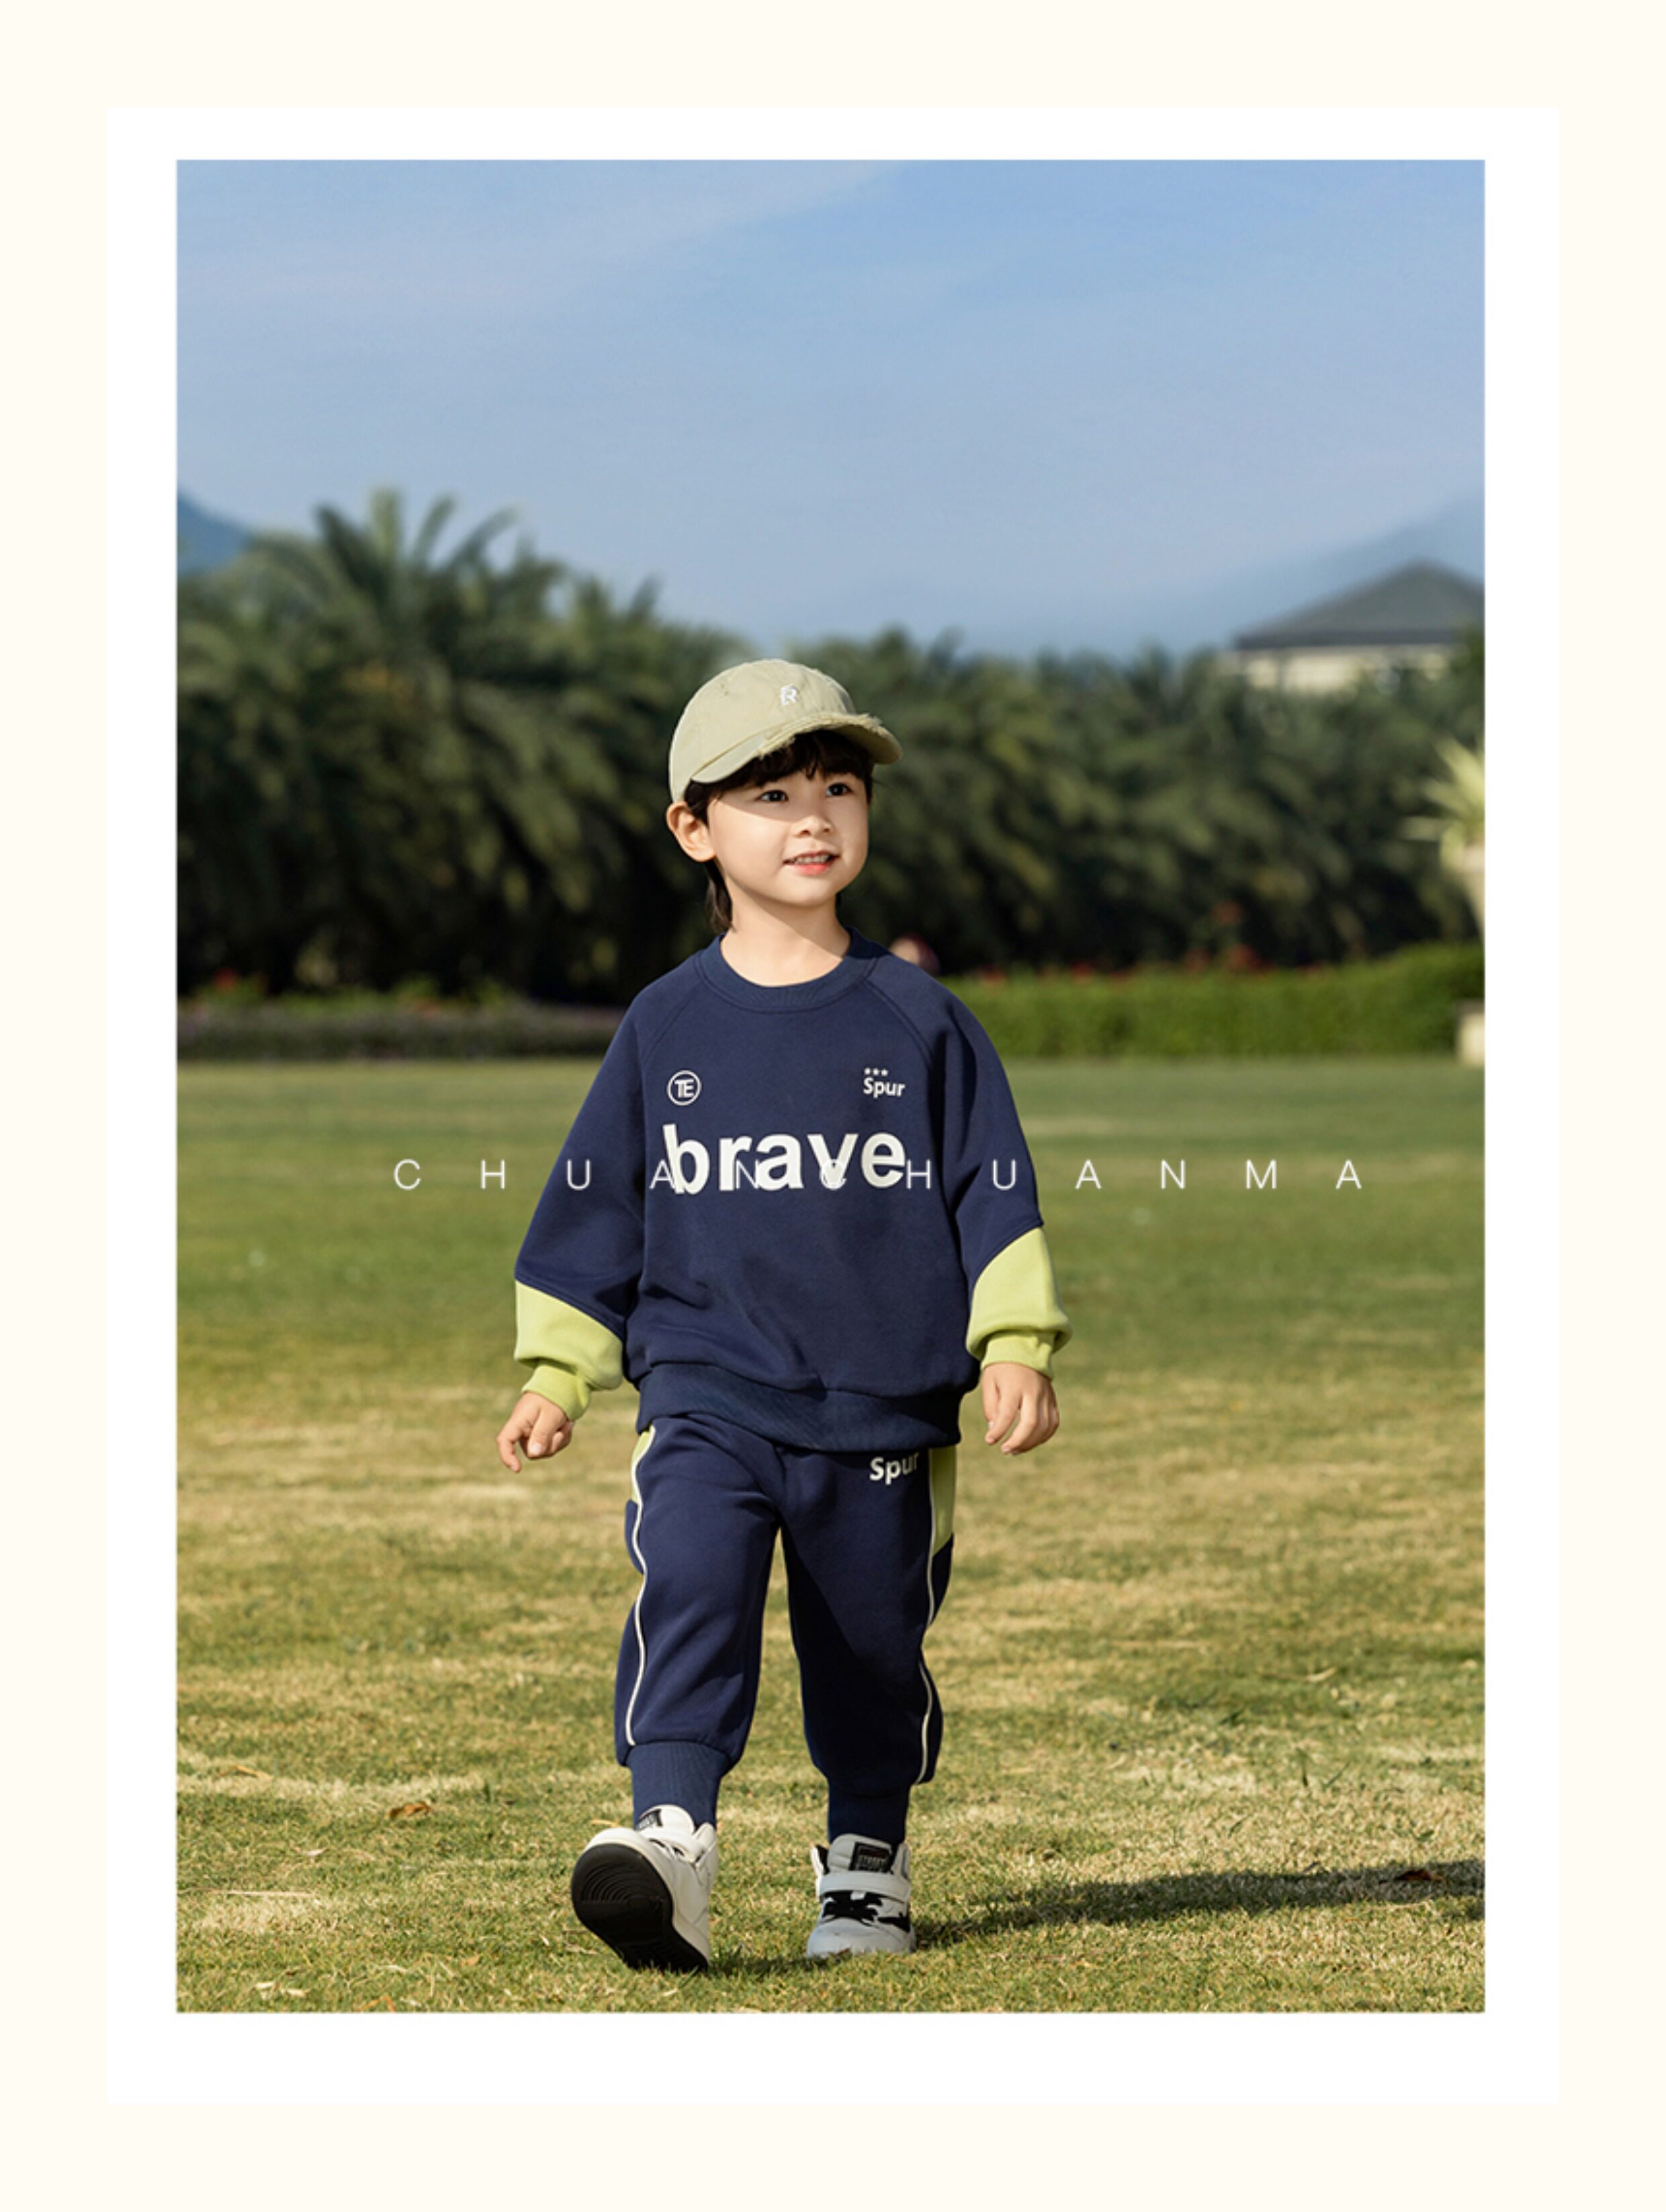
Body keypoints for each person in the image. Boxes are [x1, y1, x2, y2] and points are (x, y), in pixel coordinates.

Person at [495, 656, 1071, 1973]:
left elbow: (994, 1190)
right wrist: (556, 1370)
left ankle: (866, 1857)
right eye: (772, 794)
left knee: (870, 1643)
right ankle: (673, 1840)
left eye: (838, 788)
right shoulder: (663, 1025)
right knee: (690, 1583)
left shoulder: (922, 1021)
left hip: (879, 1402)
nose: (813, 817)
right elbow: (597, 1200)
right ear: (694, 828)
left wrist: (1013, 1343)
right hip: (704, 1385)